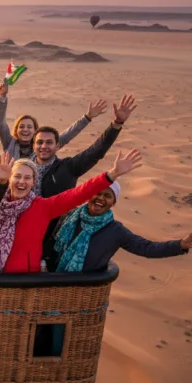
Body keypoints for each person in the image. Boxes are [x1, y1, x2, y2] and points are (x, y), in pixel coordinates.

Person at [0, 150, 144, 274]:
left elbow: (78, 194)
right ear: (10, 178)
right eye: (17, 176)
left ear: (34, 182)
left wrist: (112, 174)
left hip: (24, 281)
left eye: (27, 178)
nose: (21, 181)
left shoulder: (43, 207)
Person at [33, 95, 137, 268]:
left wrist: (116, 124)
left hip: (55, 238)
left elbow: (95, 152)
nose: (44, 146)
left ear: (57, 146)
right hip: (25, 234)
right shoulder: (22, 170)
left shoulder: (69, 167)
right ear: (34, 146)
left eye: (49, 142)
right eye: (40, 142)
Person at [53, 182, 192, 272]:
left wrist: (181, 245)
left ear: (113, 202)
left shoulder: (115, 231)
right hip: (50, 283)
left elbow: (147, 248)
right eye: (97, 193)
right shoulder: (70, 216)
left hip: (81, 293)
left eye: (107, 196)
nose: (100, 198)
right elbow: (50, 244)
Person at [0, 81, 109, 160]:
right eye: (21, 127)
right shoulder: (9, 143)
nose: (25, 129)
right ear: (16, 130)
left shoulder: (43, 146)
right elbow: (1, 124)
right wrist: (2, 97)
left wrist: (87, 117)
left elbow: (68, 135)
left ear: (36, 131)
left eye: (29, 127)